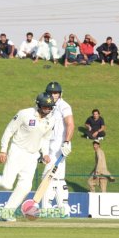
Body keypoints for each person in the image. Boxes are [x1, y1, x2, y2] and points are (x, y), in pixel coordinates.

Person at [0, 92, 56, 221]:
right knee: (6, 184)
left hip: (32, 156)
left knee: (26, 187)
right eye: (45, 106)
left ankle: (6, 213)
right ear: (38, 104)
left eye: (50, 107)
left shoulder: (51, 120)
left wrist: (45, 154)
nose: (48, 109)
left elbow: (45, 138)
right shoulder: (25, 113)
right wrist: (3, 150)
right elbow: (9, 131)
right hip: (17, 151)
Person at [41, 82, 75, 217]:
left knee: (47, 176)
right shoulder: (45, 105)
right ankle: (64, 208)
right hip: (48, 145)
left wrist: (67, 142)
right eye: (51, 93)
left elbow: (70, 124)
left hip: (59, 146)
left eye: (56, 93)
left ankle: (46, 208)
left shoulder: (64, 106)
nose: (53, 95)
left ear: (60, 94)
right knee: (58, 177)